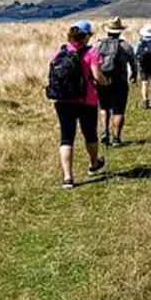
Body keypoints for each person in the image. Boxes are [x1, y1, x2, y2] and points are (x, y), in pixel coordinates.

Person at [46, 20, 106, 189]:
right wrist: (105, 82)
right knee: (90, 134)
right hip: (86, 100)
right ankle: (94, 164)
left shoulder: (60, 50)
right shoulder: (92, 52)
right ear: (86, 36)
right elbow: (97, 76)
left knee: (66, 138)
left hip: (63, 101)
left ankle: (68, 178)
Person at [96, 17, 138, 147]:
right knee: (119, 111)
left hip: (102, 81)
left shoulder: (98, 44)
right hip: (120, 81)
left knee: (103, 107)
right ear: (120, 31)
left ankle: (104, 131)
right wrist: (134, 75)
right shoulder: (125, 45)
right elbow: (133, 63)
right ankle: (116, 138)